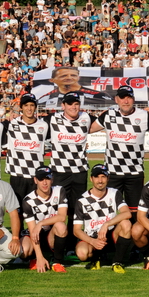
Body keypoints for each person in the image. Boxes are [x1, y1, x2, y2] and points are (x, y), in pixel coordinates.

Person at [90, 86, 149, 216]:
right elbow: (88, 129)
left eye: (129, 98)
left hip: (135, 173)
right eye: (122, 98)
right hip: (112, 173)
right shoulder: (108, 115)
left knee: (135, 213)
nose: (126, 101)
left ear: (133, 99)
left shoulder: (144, 116)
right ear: (116, 99)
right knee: (109, 213)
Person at [48, 91, 96, 250]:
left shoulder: (86, 117)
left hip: (79, 172)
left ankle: (71, 245)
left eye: (76, 104)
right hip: (59, 172)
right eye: (70, 104)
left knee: (76, 210)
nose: (74, 107)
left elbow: (106, 122)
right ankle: (55, 244)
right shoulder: (53, 119)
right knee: (58, 211)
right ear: (63, 106)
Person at [73, 164, 133, 274]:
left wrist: (106, 224)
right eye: (97, 177)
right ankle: (96, 258)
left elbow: (127, 213)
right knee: (82, 253)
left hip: (110, 235)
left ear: (108, 178)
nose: (100, 181)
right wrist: (92, 241)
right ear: (91, 179)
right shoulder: (82, 200)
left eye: (103, 177)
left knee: (126, 223)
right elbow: (76, 230)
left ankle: (117, 262)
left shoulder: (114, 193)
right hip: (91, 238)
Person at [2, 93, 49, 205]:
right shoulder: (11, 124)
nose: (29, 108)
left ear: (35, 107)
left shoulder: (44, 126)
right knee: (17, 212)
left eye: (32, 105)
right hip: (17, 175)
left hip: (35, 176)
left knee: (35, 211)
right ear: (21, 107)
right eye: (26, 105)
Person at [21, 166, 69, 273]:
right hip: (35, 234)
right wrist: (39, 257)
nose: (44, 182)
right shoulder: (28, 201)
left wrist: (41, 223)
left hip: (50, 235)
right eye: (41, 179)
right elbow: (33, 231)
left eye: (47, 178)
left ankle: (57, 262)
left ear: (52, 179)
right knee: (24, 250)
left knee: (61, 226)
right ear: (35, 180)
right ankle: (34, 258)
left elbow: (62, 216)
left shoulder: (59, 191)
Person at [37, 66, 113, 108]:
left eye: (73, 75)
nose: (69, 78)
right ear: (52, 80)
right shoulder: (43, 99)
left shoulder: (99, 95)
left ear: (78, 78)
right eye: (63, 76)